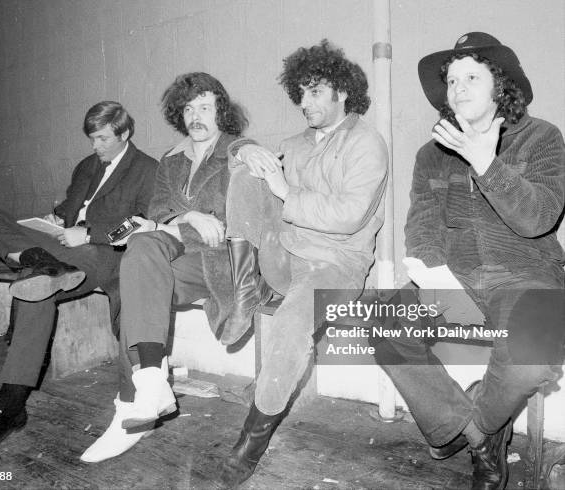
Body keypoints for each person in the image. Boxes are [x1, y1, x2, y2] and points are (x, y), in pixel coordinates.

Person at [371, 32, 565, 489]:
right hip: (454, 278)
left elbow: (538, 218)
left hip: (527, 275)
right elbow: (420, 226)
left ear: (500, 85)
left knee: (533, 354)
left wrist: (486, 163)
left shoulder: (542, 138)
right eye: (452, 80)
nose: (457, 87)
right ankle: (474, 432)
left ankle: (476, 433)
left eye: (471, 76)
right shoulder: (432, 154)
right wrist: (436, 280)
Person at [220, 39, 388, 486]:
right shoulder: (294, 143)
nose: (304, 102)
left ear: (342, 93)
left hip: (335, 263)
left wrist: (285, 192)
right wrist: (243, 152)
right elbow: (251, 174)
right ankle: (243, 288)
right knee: (244, 167)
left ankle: (253, 437)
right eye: (301, 93)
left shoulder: (367, 143)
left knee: (290, 327)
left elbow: (349, 215)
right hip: (285, 253)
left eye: (315, 92)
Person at [0, 101, 157, 458]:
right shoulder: (85, 167)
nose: (96, 146)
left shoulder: (146, 168)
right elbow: (69, 209)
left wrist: (89, 232)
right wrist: (56, 217)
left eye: (103, 139)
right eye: (92, 139)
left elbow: (141, 223)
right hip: (60, 247)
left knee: (35, 289)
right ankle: (38, 261)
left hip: (100, 253)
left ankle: (8, 407)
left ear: (125, 133)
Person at [80, 72, 250, 463]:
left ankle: (132, 401)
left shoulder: (238, 154)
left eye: (205, 107)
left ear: (221, 112)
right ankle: (149, 386)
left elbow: (225, 226)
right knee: (138, 261)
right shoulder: (172, 161)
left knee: (137, 267)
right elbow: (157, 211)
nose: (196, 116)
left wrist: (177, 224)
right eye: (188, 108)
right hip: (172, 254)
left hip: (217, 262)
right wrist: (188, 215)